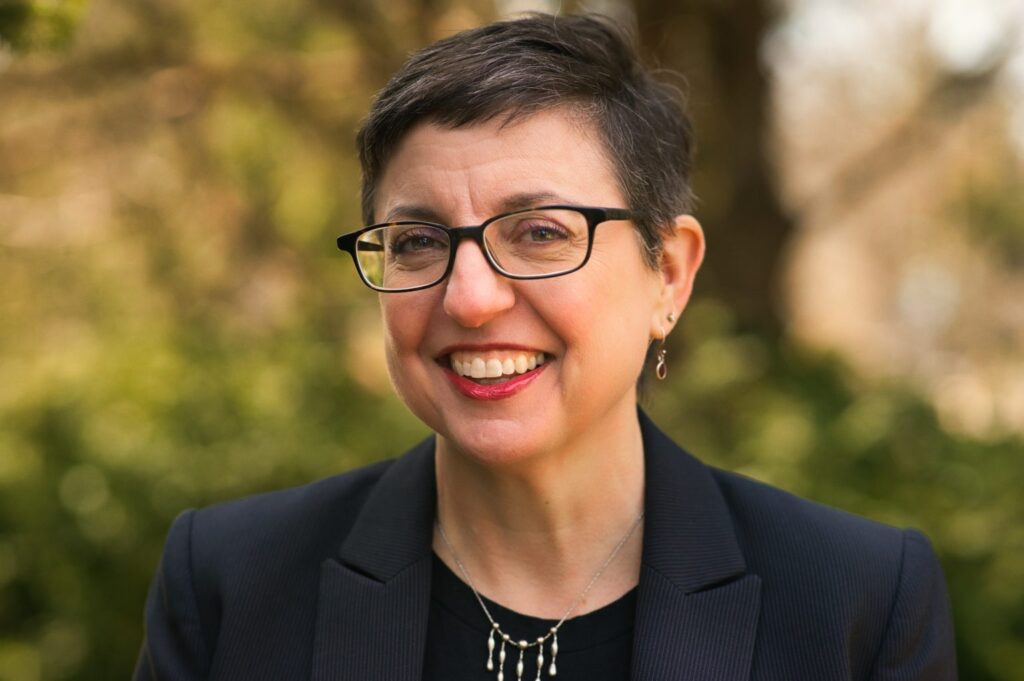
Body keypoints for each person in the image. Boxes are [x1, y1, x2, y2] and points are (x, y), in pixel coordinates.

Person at [134, 13, 957, 681]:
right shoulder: (232, 584)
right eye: (418, 240)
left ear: (667, 274)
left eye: (538, 232)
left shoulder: (856, 603)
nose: (470, 297)